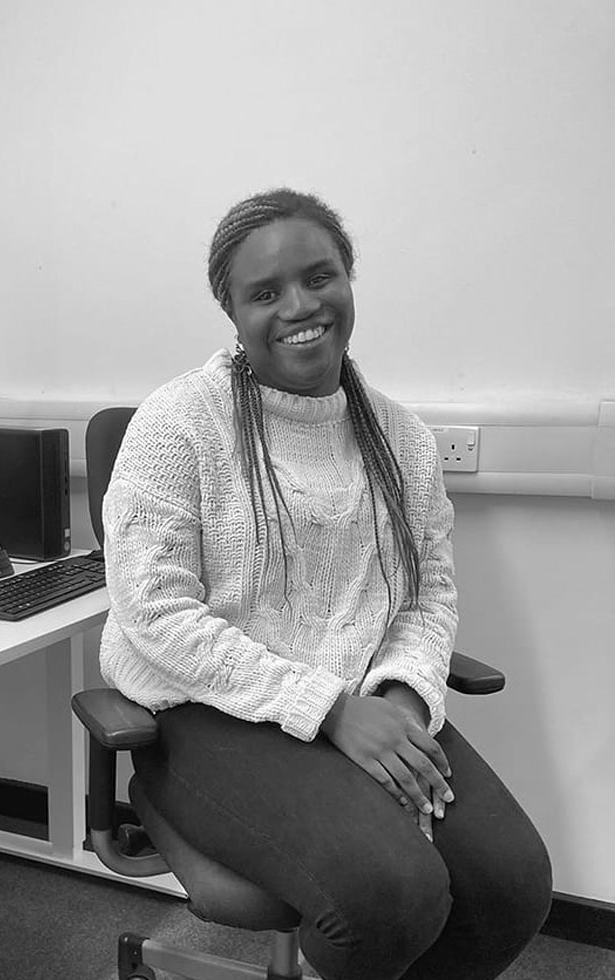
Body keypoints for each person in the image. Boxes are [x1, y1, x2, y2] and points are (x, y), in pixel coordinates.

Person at [99, 188, 552, 980]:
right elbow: (156, 613)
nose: (300, 307)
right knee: (389, 892)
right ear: (231, 311)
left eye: (320, 277)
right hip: (208, 712)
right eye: (265, 293)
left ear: (349, 279)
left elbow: (427, 593)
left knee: (513, 884)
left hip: (365, 700)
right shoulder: (179, 423)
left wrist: (405, 699)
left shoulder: (399, 437)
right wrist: (330, 710)